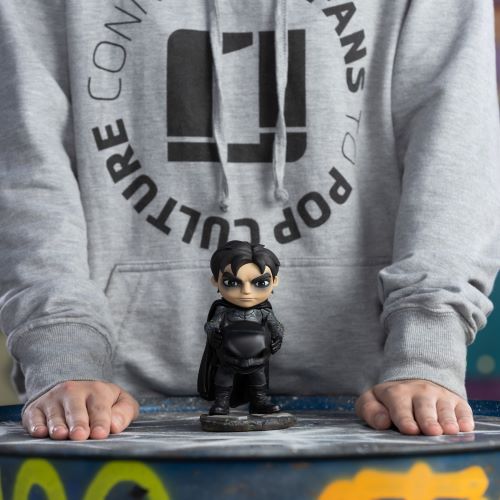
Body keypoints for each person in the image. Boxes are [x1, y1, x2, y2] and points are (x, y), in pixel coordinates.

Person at [0, 0, 499, 441]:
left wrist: (425, 349)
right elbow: (27, 165)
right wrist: (63, 349)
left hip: (383, 406)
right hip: (102, 414)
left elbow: (455, 154)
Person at [198, 240, 284, 415]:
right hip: (228, 355)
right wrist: (213, 333)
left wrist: (277, 338)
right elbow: (211, 324)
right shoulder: (223, 310)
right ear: (216, 281)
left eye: (260, 283)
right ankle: (221, 403)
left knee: (258, 376)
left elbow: (276, 326)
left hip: (257, 356)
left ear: (274, 281)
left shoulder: (263, 311)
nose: (246, 291)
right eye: (232, 282)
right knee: (224, 375)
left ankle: (259, 401)